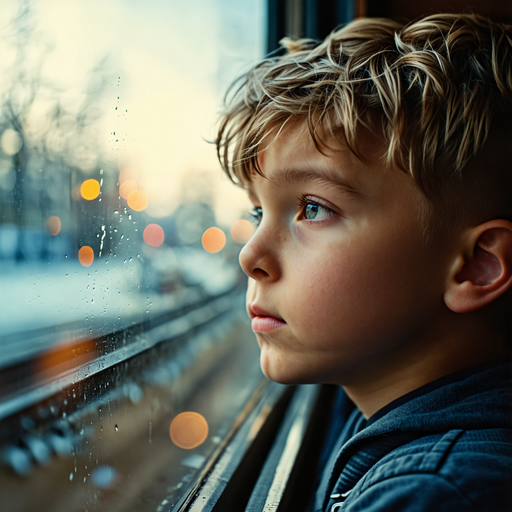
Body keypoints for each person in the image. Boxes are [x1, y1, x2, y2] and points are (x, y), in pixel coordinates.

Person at [215, 13, 512, 511]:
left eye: (313, 209)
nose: (250, 256)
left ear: (474, 267)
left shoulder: (433, 495)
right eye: (257, 211)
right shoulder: (371, 400)